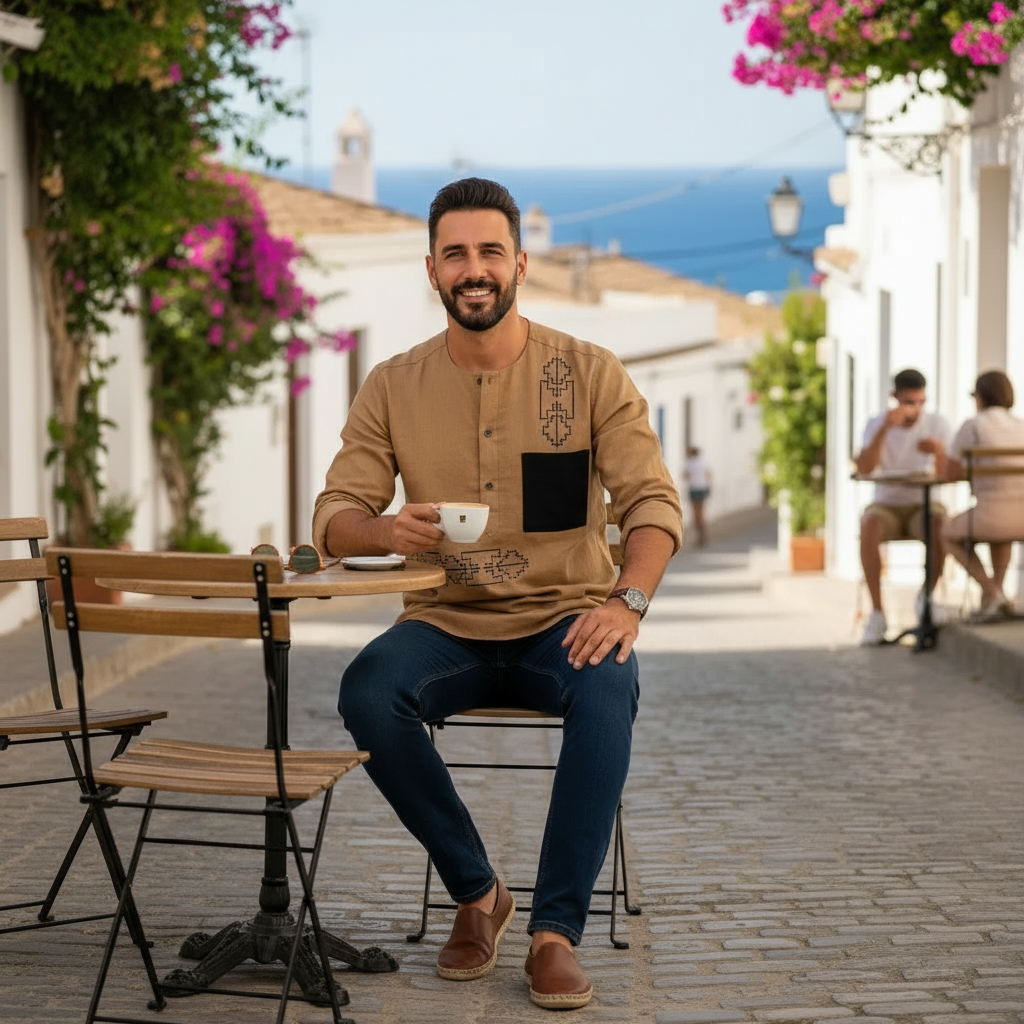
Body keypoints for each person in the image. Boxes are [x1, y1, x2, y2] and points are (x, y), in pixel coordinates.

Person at [312, 178, 682, 1010]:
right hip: (445, 622)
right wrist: (386, 532)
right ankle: (479, 893)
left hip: (565, 620)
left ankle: (555, 934)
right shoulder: (391, 384)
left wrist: (627, 604)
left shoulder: (590, 374)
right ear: (433, 271)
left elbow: (652, 507)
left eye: (489, 253)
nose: (473, 269)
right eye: (455, 254)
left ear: (519, 263)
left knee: (609, 681)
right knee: (367, 689)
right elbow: (334, 513)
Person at [854, 368, 952, 646]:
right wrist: (885, 429)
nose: (916, 410)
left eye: (921, 402)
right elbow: (863, 468)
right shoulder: (876, 424)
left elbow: (950, 473)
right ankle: (877, 613)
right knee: (868, 525)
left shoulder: (936, 424)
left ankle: (927, 598)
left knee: (940, 524)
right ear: (894, 398)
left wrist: (940, 452)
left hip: (923, 502)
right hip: (887, 502)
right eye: (909, 403)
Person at [939, 370, 1024, 621]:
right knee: (1001, 532)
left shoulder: (974, 425)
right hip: (1021, 516)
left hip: (989, 514)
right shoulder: (1021, 425)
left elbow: (950, 472)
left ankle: (991, 590)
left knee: (946, 532)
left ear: (979, 397)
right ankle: (995, 598)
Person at [682, 446, 712, 547]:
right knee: (702, 511)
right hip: (702, 487)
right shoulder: (703, 462)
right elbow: (708, 474)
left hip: (693, 488)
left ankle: (698, 537)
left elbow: (685, 475)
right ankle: (703, 535)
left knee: (695, 513)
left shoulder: (689, 462)